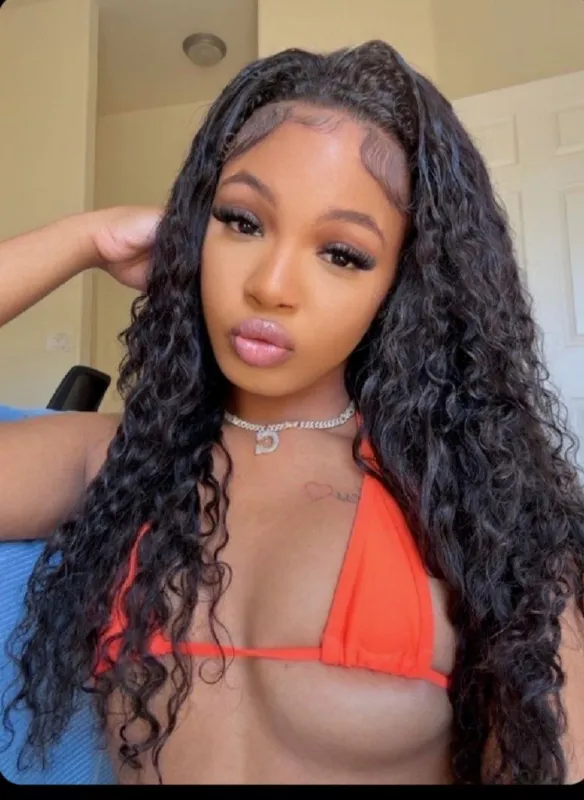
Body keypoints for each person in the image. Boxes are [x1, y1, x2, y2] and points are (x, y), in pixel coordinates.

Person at [0, 39, 583, 786]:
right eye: (242, 221)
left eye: (342, 254)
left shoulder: (485, 513)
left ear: (404, 286)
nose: (271, 284)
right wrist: (84, 240)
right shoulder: (117, 463)